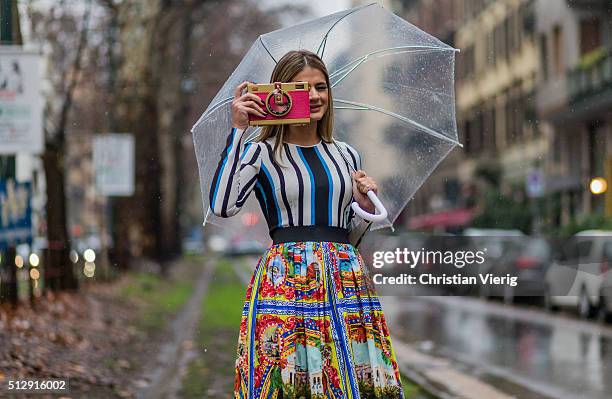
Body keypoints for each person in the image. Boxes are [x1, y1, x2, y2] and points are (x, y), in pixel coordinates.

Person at [210, 50, 404, 398]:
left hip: (345, 281)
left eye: (321, 87)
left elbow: (351, 233)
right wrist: (239, 131)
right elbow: (223, 206)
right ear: (282, 94)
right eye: (302, 89)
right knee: (291, 379)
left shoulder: (347, 155)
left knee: (348, 378)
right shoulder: (261, 152)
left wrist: (362, 205)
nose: (314, 97)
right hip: (286, 279)